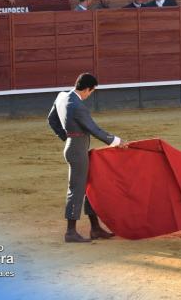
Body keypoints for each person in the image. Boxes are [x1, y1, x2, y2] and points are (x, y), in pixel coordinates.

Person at [47, 72, 127, 243]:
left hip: (75, 145)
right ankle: (70, 232)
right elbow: (94, 129)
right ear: (87, 89)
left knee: (88, 186)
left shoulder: (62, 96)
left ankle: (95, 228)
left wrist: (66, 136)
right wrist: (116, 141)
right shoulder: (77, 106)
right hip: (77, 149)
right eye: (91, 92)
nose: (90, 95)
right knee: (77, 189)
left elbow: (51, 119)